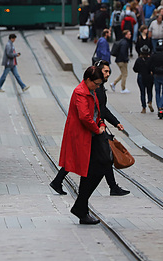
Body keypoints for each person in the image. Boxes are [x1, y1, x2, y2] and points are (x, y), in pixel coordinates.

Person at [54, 64, 129, 224]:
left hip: (92, 135)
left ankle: (81, 207)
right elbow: (85, 117)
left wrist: (101, 122)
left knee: (101, 165)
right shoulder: (81, 92)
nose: (97, 86)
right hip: (84, 137)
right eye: (95, 83)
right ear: (88, 80)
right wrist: (98, 129)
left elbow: (97, 112)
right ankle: (81, 208)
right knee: (93, 169)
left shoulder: (91, 91)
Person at [133, 45, 154, 114]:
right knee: (149, 90)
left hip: (141, 76)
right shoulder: (150, 59)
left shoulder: (139, 60)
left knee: (142, 92)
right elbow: (153, 68)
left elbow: (134, 69)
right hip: (149, 76)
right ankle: (150, 101)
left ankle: (143, 107)